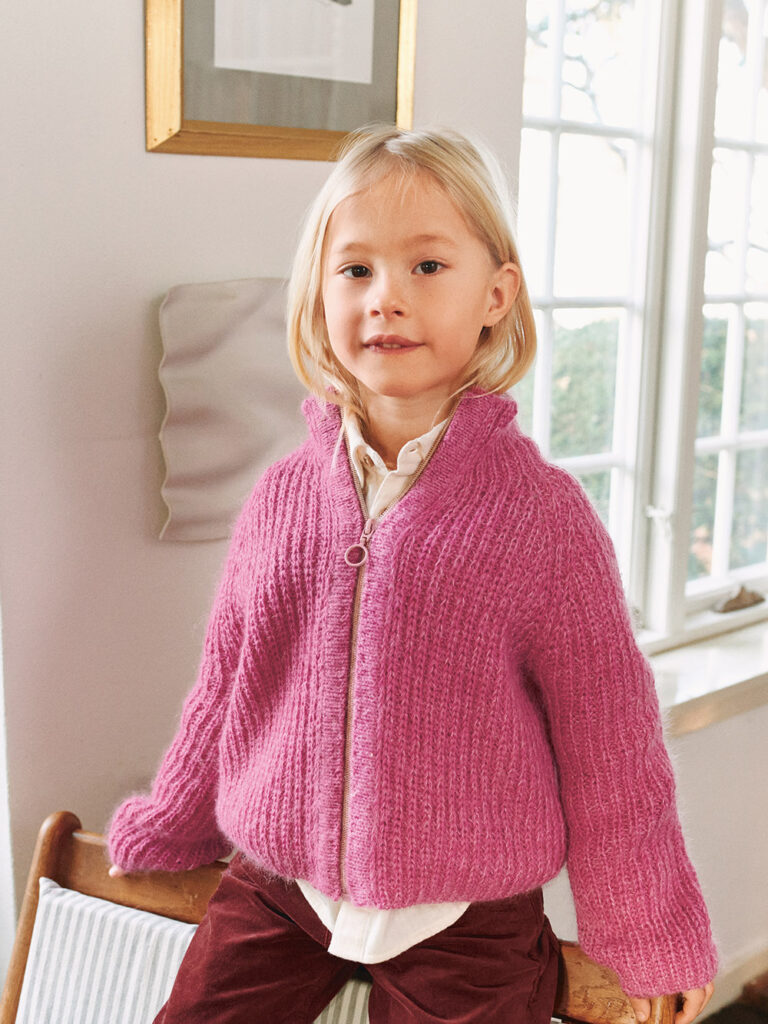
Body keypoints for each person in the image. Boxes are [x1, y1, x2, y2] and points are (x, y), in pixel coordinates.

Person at [107, 125, 718, 1024]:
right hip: (279, 887)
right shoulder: (282, 498)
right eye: (355, 270)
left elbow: (610, 742)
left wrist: (649, 928)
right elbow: (229, 682)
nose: (385, 298)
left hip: (469, 917)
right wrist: (176, 819)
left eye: (427, 266)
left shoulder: (543, 520)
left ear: (496, 295)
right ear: (318, 295)